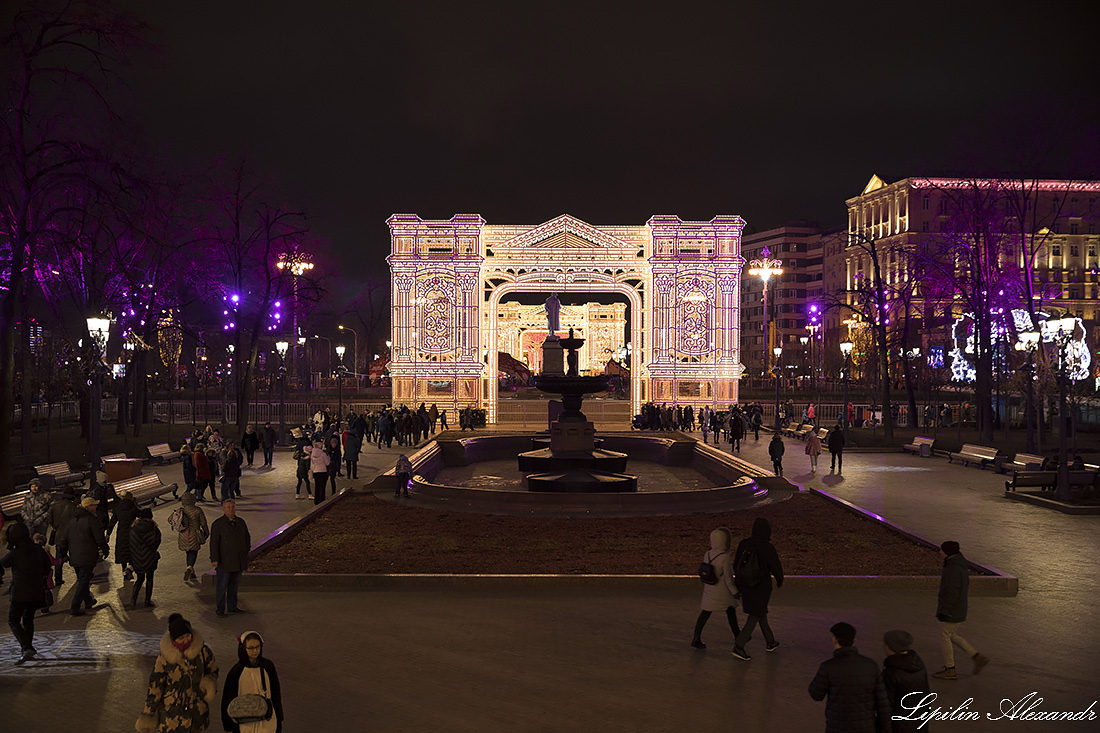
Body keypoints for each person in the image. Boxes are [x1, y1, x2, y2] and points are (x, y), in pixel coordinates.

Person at [136, 613, 219, 732]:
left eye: (188, 636)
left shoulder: (203, 652)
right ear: (173, 639)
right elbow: (155, 686)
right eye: (181, 638)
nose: (186, 640)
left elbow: (213, 670)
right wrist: (148, 714)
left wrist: (208, 683)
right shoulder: (164, 657)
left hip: (197, 714)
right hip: (172, 717)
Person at [808, 622, 893, 733]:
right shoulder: (870, 666)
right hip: (865, 727)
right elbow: (882, 703)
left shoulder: (828, 667)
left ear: (834, 640)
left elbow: (816, 694)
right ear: (853, 641)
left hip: (837, 726)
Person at [933, 540, 990, 679]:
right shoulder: (959, 564)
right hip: (958, 607)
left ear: (947, 552)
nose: (940, 552)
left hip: (951, 609)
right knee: (952, 635)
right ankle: (977, 657)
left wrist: (944, 610)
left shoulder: (953, 568)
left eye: (942, 550)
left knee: (944, 637)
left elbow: (951, 591)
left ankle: (950, 669)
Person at [731, 517, 784, 660]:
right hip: (761, 586)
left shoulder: (744, 544)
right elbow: (776, 567)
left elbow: (736, 565)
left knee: (760, 612)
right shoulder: (767, 548)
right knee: (755, 615)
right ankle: (739, 645)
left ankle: (770, 641)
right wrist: (779, 580)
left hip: (745, 585)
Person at [2, 522, 51, 664]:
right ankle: (27, 650)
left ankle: (27, 647)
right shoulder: (37, 549)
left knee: (13, 620)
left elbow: (4, 563)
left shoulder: (16, 553)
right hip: (35, 590)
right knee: (28, 618)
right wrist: (41, 578)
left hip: (20, 592)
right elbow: (47, 564)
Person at [221, 631, 284, 733]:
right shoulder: (236, 672)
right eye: (250, 648)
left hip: (267, 723)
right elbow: (227, 700)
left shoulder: (268, 666)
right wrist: (228, 727)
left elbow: (276, 694)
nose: (255, 651)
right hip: (244, 723)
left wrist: (279, 719)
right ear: (243, 649)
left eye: (257, 647)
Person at [57, 495, 109, 616]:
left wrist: (64, 554)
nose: (96, 507)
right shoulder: (92, 520)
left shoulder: (72, 521)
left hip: (75, 555)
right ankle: (75, 606)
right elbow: (99, 539)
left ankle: (88, 601)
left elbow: (63, 539)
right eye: (94, 505)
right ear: (89, 507)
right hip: (87, 555)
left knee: (82, 579)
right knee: (83, 581)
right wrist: (105, 549)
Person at [691, 527, 741, 650]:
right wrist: (735, 592)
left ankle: (696, 637)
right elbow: (728, 578)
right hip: (722, 590)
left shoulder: (707, 554)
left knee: (706, 612)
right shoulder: (724, 556)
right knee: (730, 611)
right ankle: (738, 637)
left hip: (709, 588)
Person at [882, 630, 930, 733]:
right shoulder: (919, 666)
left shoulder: (892, 673)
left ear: (891, 647)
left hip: (899, 725)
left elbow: (887, 705)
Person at [210, 499, 251, 618]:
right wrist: (214, 558)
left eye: (232, 507)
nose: (230, 509)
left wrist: (245, 550)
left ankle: (233, 607)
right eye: (228, 507)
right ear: (224, 509)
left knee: (234, 585)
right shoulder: (218, 524)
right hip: (224, 561)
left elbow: (246, 537)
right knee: (222, 587)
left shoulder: (240, 522)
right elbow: (214, 543)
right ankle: (220, 610)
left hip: (238, 561)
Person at [129, 507, 162, 609]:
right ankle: (147, 601)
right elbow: (156, 542)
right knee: (149, 579)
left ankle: (133, 601)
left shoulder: (133, 528)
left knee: (139, 579)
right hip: (150, 557)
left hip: (137, 558)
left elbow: (130, 543)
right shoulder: (153, 528)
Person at [47, 487, 77, 587]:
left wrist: (56, 526)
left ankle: (58, 579)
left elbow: (49, 519)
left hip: (59, 536)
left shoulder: (54, 506)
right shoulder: (74, 506)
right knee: (75, 557)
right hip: (71, 536)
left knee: (59, 558)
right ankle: (79, 575)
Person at [107, 490, 139, 581]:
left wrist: (108, 533)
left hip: (121, 532)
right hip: (132, 532)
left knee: (123, 552)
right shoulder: (133, 507)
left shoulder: (118, 508)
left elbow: (112, 521)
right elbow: (141, 515)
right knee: (132, 552)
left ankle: (124, 572)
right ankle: (130, 568)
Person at [178, 492, 210, 582]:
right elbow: (203, 523)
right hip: (195, 534)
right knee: (193, 552)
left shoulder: (181, 511)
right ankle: (190, 567)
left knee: (188, 552)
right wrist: (206, 533)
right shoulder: (198, 510)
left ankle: (191, 571)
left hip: (184, 535)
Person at [309, 439, 331, 505]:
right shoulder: (323, 454)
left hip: (316, 471)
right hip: (323, 471)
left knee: (317, 486)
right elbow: (327, 463)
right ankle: (322, 499)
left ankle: (316, 500)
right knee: (323, 486)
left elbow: (312, 463)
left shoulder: (312, 454)